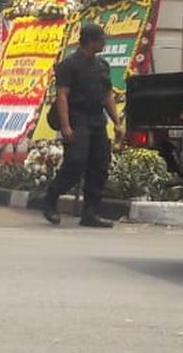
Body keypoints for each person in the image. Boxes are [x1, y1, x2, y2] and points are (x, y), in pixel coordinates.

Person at [41, 23, 125, 228]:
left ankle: (90, 213)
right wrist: (66, 126)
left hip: (97, 119)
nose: (104, 42)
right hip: (77, 118)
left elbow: (107, 96)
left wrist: (117, 122)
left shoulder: (102, 65)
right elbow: (62, 96)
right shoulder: (69, 65)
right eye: (101, 39)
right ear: (90, 41)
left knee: (99, 165)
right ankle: (50, 198)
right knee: (75, 162)